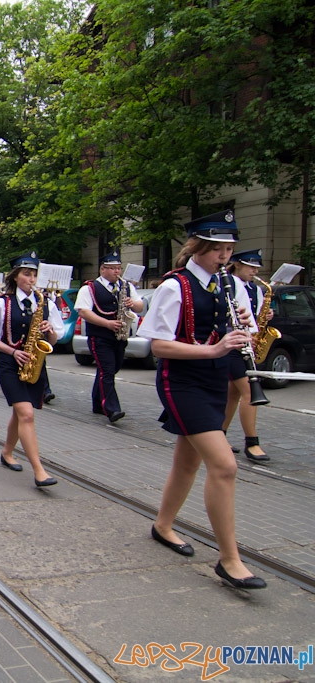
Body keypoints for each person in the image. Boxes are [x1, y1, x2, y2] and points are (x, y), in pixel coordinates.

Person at [138, 210, 266, 589]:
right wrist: (213, 351)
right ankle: (229, 559)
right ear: (199, 247)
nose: (226, 257)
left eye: (229, 249)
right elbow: (158, 345)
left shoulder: (232, 285)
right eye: (219, 249)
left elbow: (247, 332)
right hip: (182, 382)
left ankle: (163, 525)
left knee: (187, 463)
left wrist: (243, 321)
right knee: (224, 466)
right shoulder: (174, 286)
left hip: (215, 380)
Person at [0, 252, 62, 488]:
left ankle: (6, 452)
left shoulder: (45, 304)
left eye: (34, 274)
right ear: (15, 277)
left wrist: (50, 330)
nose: (31, 279)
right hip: (9, 364)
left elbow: (54, 341)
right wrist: (13, 351)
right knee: (26, 413)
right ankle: (39, 470)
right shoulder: (1, 303)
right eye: (27, 274)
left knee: (19, 413)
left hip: (34, 364)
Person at [74, 251, 145, 423]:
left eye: (119, 268)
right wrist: (106, 324)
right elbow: (83, 311)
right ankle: (112, 409)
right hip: (99, 336)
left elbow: (140, 306)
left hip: (119, 336)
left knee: (112, 368)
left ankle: (98, 403)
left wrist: (132, 304)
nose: (117, 272)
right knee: (107, 370)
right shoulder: (89, 288)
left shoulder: (126, 286)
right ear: (102, 269)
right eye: (113, 269)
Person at [222, 249, 270, 462]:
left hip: (247, 345)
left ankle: (219, 434)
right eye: (250, 266)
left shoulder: (256, 289)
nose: (255, 271)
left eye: (257, 267)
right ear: (237, 265)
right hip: (233, 346)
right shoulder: (228, 283)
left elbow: (253, 317)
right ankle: (252, 442)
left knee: (233, 394)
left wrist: (266, 315)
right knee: (251, 390)